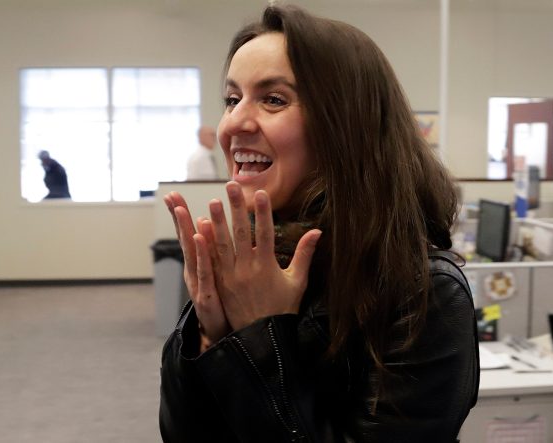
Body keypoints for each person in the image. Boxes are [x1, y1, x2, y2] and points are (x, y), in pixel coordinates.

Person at [159, 5, 479, 442]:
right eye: (232, 99)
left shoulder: (423, 292)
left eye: (273, 99)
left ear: (346, 125)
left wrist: (261, 335)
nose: (233, 122)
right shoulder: (253, 260)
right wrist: (210, 335)